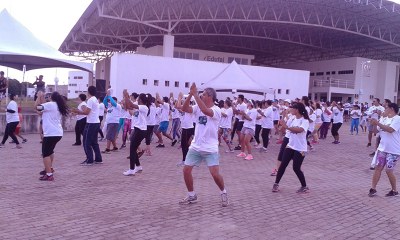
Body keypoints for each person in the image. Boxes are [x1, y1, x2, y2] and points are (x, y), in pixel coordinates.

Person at [179, 83, 228, 207]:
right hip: (196, 146)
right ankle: (191, 195)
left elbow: (206, 111)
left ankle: (223, 192)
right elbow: (184, 109)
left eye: (204, 94)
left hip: (210, 148)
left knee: (215, 174)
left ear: (210, 97)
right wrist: (190, 95)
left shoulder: (217, 110)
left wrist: (195, 94)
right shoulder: (197, 107)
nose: (201, 96)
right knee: (186, 170)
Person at [272, 102, 310, 193]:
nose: (291, 110)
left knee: (296, 168)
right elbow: (284, 127)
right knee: (282, 165)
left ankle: (304, 186)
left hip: (300, 148)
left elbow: (300, 130)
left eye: (292, 108)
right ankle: (276, 184)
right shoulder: (292, 119)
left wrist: (287, 127)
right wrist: (282, 124)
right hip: (290, 146)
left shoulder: (305, 120)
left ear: (297, 110)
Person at [35, 91, 69, 181]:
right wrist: (41, 99)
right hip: (57, 133)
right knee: (50, 151)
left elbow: (38, 107)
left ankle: (49, 174)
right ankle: (49, 168)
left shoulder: (51, 104)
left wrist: (39, 97)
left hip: (51, 133)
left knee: (45, 153)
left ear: (52, 97)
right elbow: (41, 111)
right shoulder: (58, 106)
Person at [368, 103, 400, 197]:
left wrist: (377, 123)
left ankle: (394, 190)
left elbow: (390, 130)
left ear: (391, 109)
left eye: (386, 108)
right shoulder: (383, 118)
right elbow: (376, 131)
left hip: (393, 150)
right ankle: (373, 188)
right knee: (378, 168)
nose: (384, 110)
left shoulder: (397, 119)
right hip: (382, 148)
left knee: (389, 170)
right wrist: (374, 124)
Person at [71, 86, 102, 165]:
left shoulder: (90, 100)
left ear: (88, 92)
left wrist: (77, 111)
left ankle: (89, 160)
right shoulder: (95, 99)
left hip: (91, 123)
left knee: (86, 141)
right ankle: (98, 159)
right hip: (96, 123)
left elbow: (86, 112)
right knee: (94, 142)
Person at [122, 91, 149, 176]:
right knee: (134, 147)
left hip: (140, 130)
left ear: (140, 99)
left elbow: (132, 105)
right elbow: (128, 107)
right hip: (137, 129)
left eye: (138, 98)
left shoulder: (144, 107)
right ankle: (138, 166)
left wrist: (126, 96)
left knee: (132, 149)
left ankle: (131, 169)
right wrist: (126, 98)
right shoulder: (139, 107)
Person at [176, 93, 195, 166]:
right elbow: (177, 107)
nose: (184, 101)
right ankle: (187, 160)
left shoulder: (189, 107)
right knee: (186, 145)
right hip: (186, 127)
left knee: (184, 145)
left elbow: (178, 106)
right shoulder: (187, 107)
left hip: (188, 128)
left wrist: (179, 98)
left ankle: (185, 160)